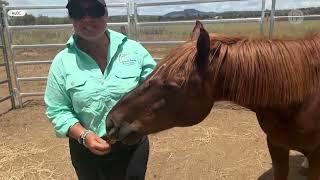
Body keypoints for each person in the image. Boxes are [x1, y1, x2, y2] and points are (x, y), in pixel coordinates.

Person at [44, 0, 156, 179]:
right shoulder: (62, 62)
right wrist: (83, 136)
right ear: (71, 17)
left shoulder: (135, 51)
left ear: (106, 13)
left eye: (95, 10)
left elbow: (156, 90)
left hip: (132, 143)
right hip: (86, 148)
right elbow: (58, 110)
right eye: (78, 11)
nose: (87, 19)